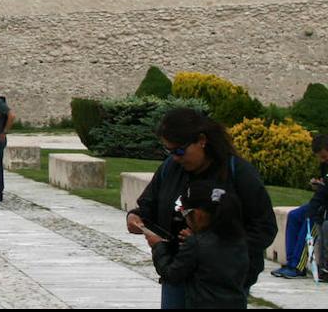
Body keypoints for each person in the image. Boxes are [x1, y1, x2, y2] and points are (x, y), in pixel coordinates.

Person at [126, 108, 277, 308]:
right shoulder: (171, 168)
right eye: (169, 151)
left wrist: (209, 249)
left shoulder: (238, 173)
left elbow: (264, 228)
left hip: (221, 285)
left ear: (202, 140)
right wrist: (135, 217)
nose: (176, 157)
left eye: (179, 151)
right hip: (177, 273)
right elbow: (149, 205)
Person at [144, 180, 250, 309]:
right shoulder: (240, 240)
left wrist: (158, 246)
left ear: (199, 215)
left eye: (186, 214)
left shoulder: (196, 244)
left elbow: (172, 274)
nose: (186, 220)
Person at [270, 133, 328, 278]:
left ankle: (297, 266)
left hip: (323, 207)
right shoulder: (325, 164)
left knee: (310, 222)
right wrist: (320, 184)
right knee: (294, 216)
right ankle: (290, 262)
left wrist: (321, 190)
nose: (322, 160)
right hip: (320, 201)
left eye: (324, 156)